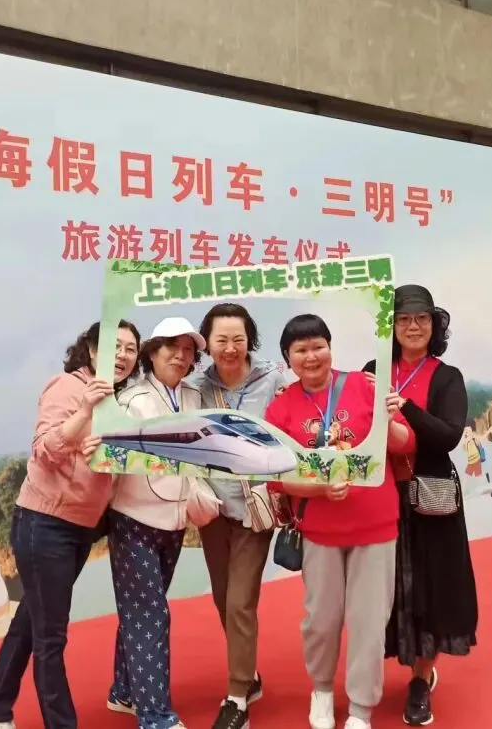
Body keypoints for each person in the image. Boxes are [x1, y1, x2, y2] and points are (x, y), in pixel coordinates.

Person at [0, 319, 141, 729]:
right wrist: (84, 411)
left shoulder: (118, 405)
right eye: (115, 346)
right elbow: (44, 451)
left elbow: (106, 469)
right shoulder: (67, 387)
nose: (122, 355)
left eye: (131, 349)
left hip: (81, 527)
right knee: (51, 637)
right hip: (44, 524)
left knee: (30, 623)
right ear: (92, 350)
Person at [264, 314, 406, 729]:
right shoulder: (282, 406)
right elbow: (275, 477)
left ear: (330, 347)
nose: (311, 356)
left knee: (369, 623)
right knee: (321, 621)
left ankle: (361, 707)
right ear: (288, 358)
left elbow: (404, 443)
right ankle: (322, 689)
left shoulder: (366, 387)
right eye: (301, 350)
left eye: (318, 346)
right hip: (320, 532)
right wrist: (319, 490)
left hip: (375, 527)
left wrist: (390, 419)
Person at [363, 284, 478, 727]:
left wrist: (406, 408)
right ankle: (375, 670)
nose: (413, 326)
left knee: (431, 588)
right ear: (391, 327)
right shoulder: (374, 370)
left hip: (429, 497)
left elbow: (449, 436)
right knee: (384, 588)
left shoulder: (447, 377)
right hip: (379, 497)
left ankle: (420, 679)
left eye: (422, 319)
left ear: (434, 326)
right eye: (404, 319)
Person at [105, 317, 209, 729]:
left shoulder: (194, 397)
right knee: (151, 615)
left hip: (175, 521)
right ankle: (156, 716)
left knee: (140, 611)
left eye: (188, 350)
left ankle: (124, 691)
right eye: (172, 346)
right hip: (133, 518)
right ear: (151, 352)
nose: (180, 356)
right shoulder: (132, 401)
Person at [194, 303, 286, 729]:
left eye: (238, 339)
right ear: (207, 343)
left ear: (250, 340)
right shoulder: (197, 386)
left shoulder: (274, 380)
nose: (230, 348)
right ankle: (248, 673)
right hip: (212, 508)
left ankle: (237, 696)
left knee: (240, 601)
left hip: (256, 507)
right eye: (221, 340)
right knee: (223, 598)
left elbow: (307, 404)